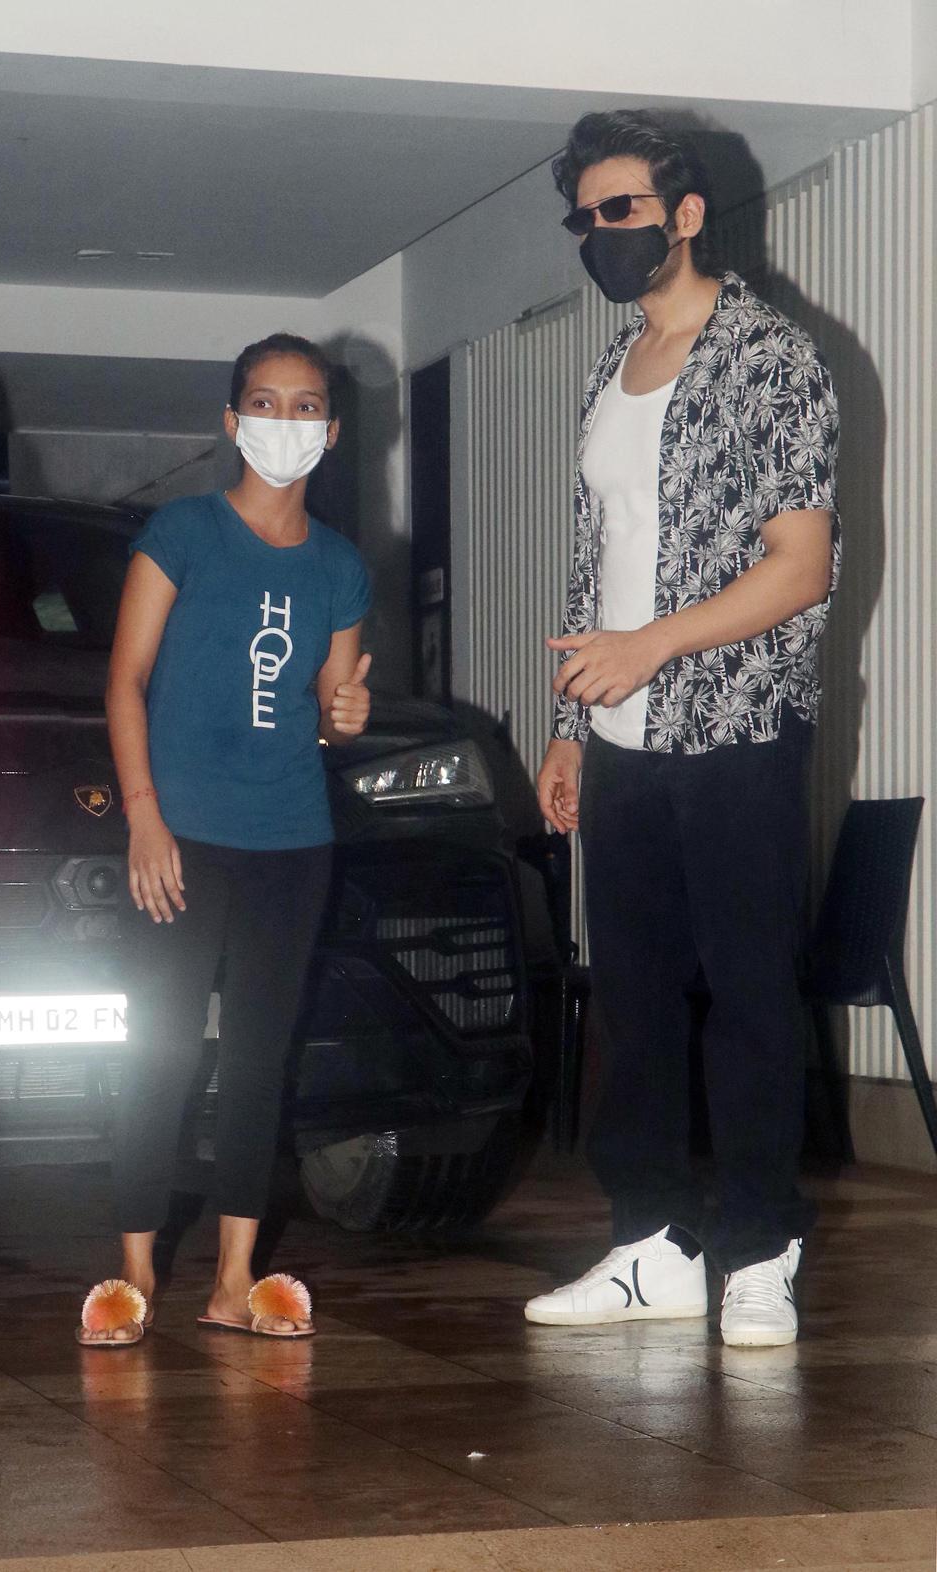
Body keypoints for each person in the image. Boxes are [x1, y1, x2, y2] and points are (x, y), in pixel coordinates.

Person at [528, 113, 839, 1347]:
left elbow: (798, 568)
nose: (599, 233)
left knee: (750, 995)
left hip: (737, 724)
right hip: (618, 738)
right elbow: (594, 563)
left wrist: (650, 647)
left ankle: (758, 1249)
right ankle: (649, 1245)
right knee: (634, 1000)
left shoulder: (771, 357)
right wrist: (569, 725)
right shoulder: (608, 373)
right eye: (584, 217)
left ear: (685, 215)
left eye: (621, 210)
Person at [78, 332, 371, 1346]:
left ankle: (234, 1279)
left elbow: (332, 708)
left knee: (257, 1058)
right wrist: (142, 815)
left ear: (331, 431)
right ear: (232, 420)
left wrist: (348, 717)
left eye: (305, 406)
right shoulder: (183, 532)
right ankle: (133, 1272)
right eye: (265, 401)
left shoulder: (339, 565)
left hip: (291, 838)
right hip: (181, 835)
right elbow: (124, 681)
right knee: (158, 1048)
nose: (284, 421)